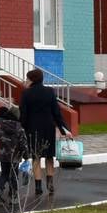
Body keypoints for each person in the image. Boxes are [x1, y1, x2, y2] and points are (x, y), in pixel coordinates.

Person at [20, 68, 65, 199]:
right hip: (48, 128)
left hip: (32, 129)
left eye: (27, 78)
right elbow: (56, 112)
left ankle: (38, 187)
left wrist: (22, 128)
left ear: (32, 80)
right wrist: (64, 130)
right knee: (49, 157)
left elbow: (23, 113)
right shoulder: (50, 91)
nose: (26, 80)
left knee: (36, 158)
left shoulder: (26, 93)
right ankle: (50, 184)